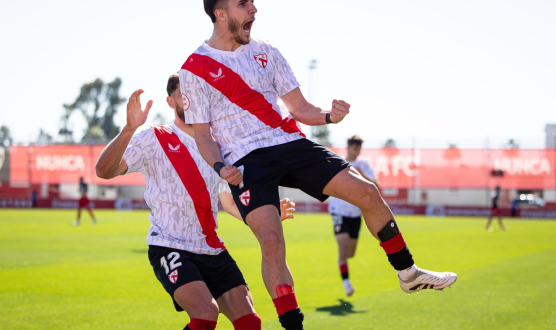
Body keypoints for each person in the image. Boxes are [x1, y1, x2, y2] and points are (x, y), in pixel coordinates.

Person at [180, 1, 457, 329]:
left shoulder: (267, 52)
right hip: (244, 159)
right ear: (220, 12)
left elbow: (299, 108)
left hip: (290, 143)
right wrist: (219, 167)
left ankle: (408, 273)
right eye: (244, 3)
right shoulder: (194, 67)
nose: (254, 8)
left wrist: (328, 115)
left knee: (367, 192)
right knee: (271, 240)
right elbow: (202, 133)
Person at [95, 74, 296, 330]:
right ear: (171, 101)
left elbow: (230, 203)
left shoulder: (217, 147)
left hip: (212, 248)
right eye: (183, 95)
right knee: (205, 314)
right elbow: (104, 171)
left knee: (250, 323)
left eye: (197, 95)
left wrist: (267, 213)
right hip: (170, 245)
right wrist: (129, 128)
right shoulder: (153, 137)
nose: (191, 101)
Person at [328, 136, 379, 297]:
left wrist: (362, 174)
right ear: (348, 147)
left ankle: (344, 267)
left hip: (356, 213)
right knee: (343, 251)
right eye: (354, 148)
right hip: (339, 212)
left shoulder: (363, 165)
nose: (356, 152)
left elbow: (375, 186)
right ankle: (347, 284)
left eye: (359, 149)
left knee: (351, 253)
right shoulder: (339, 162)